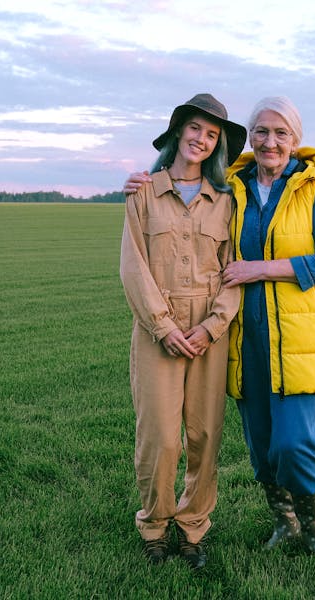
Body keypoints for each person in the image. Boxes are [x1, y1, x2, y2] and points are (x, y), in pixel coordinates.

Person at [126, 96, 315, 569]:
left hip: (287, 333)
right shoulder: (234, 187)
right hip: (240, 336)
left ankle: (309, 530)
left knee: (281, 442)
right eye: (261, 132)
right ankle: (270, 522)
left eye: (281, 133)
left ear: (295, 139)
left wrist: (248, 282)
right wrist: (140, 178)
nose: (270, 141)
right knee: (241, 444)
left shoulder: (307, 190)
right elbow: (148, 263)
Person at [119, 93, 246, 569]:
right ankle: (154, 525)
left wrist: (213, 327)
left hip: (210, 333)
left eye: (212, 135)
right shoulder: (143, 193)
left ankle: (194, 529)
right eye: (195, 128)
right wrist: (163, 326)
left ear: (218, 146)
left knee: (204, 434)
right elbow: (133, 267)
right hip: (159, 332)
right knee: (160, 437)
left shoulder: (227, 202)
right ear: (178, 132)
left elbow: (234, 270)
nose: (202, 139)